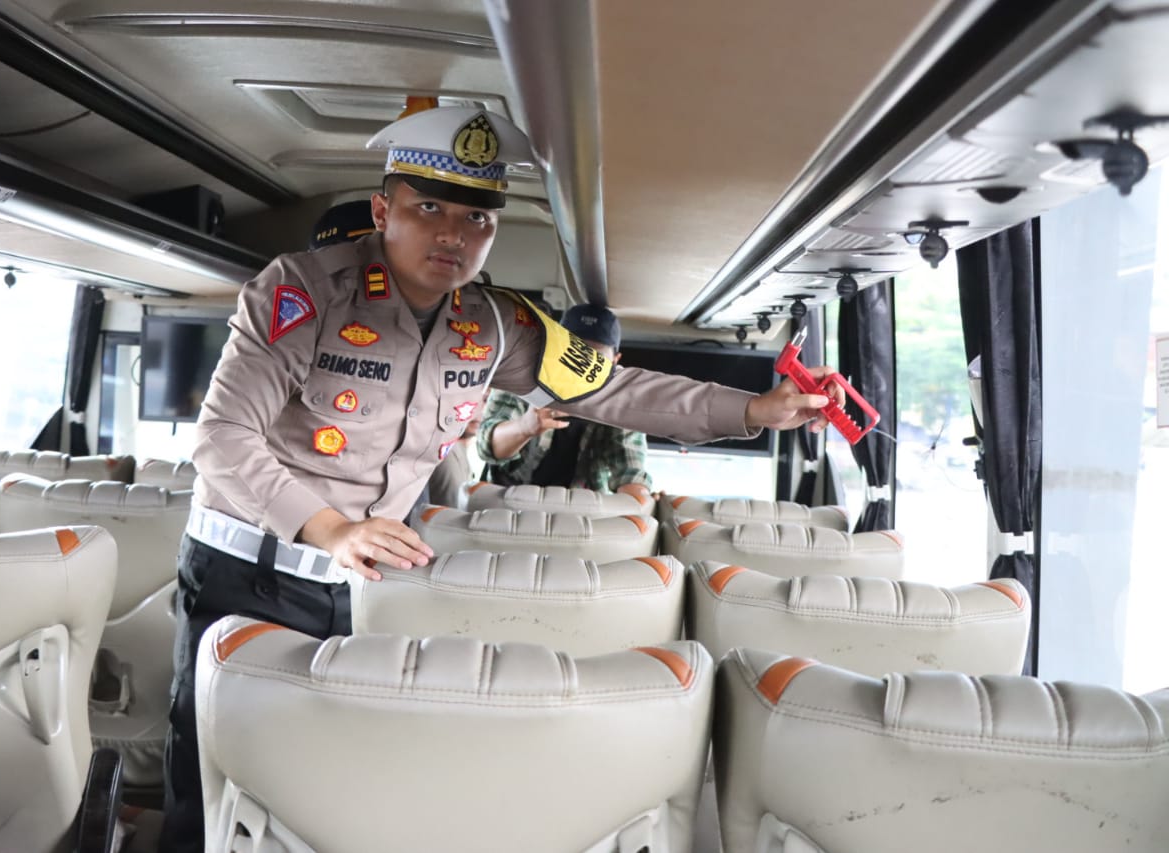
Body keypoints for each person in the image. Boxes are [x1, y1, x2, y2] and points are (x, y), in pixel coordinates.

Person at [160, 105, 842, 853]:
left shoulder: (494, 325)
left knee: (330, 796)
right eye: (429, 209)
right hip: (244, 573)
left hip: (362, 591)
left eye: (477, 217)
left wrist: (754, 406)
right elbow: (224, 437)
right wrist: (333, 529)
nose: (454, 234)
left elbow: (613, 389)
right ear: (383, 209)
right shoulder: (303, 290)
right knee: (213, 793)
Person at [478, 304, 651, 500]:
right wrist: (525, 427)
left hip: (577, 514)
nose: (583, 364)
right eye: (574, 350)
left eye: (596, 355)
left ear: (614, 361)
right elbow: (487, 445)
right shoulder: (520, 377)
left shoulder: (621, 404)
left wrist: (643, 501)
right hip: (505, 502)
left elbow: (630, 471)